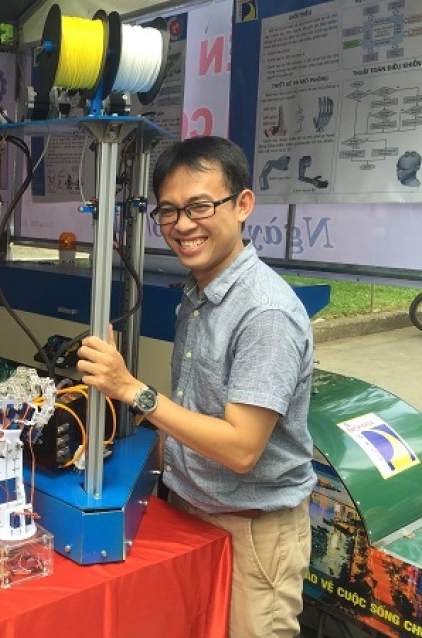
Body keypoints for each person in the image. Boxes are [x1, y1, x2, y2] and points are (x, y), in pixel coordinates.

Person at [76, 136, 316, 638]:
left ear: (243, 204)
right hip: (189, 511)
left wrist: (132, 391)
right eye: (168, 211)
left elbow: (242, 448)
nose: (183, 225)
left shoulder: (265, 312)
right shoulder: (199, 293)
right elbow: (196, 409)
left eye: (200, 206)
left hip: (253, 530)